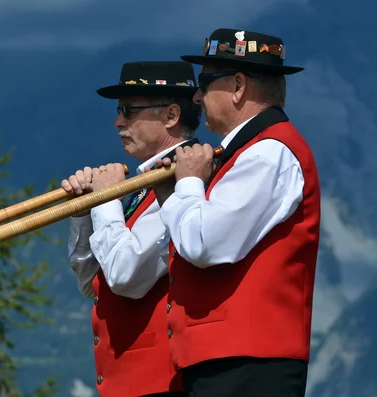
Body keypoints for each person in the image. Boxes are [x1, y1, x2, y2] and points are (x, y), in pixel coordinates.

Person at [150, 29, 321, 396]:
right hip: (226, 362)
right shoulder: (247, 153)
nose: (196, 95)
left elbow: (206, 244)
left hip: (249, 366)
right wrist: (170, 193)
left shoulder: (267, 153)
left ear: (239, 86)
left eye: (205, 82)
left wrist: (189, 184)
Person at [64, 61, 202, 397]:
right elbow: (92, 284)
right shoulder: (142, 184)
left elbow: (126, 274)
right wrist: (85, 212)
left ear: (170, 116)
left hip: (163, 384)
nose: (118, 122)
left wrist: (106, 200)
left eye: (129, 110)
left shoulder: (181, 182)